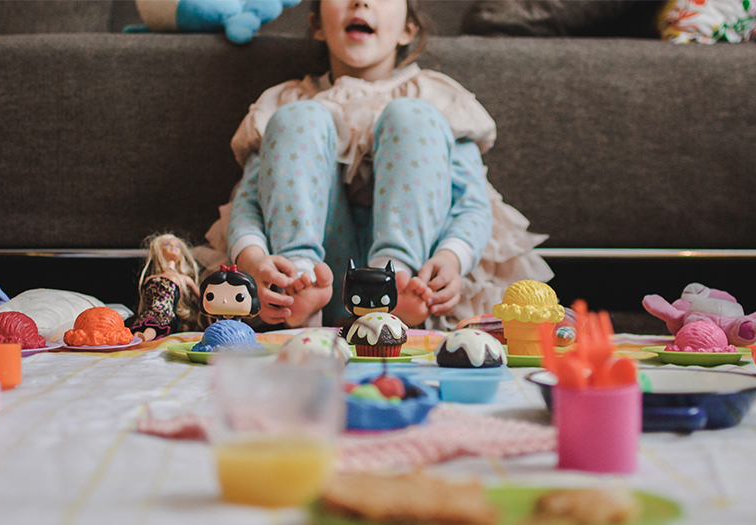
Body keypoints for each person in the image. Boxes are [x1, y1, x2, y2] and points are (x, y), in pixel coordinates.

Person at [197, 0, 553, 329]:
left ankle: (392, 280)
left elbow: (472, 201)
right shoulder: (287, 102)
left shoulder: (435, 98)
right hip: (321, 280)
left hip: (410, 283)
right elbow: (248, 199)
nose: (361, 1)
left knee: (411, 117)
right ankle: (297, 280)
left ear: (408, 30)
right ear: (317, 24)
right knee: (298, 118)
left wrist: (451, 259)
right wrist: (254, 260)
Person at [131, 233, 203, 341]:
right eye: (167, 244)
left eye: (177, 246)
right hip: (148, 313)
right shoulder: (150, 278)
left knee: (154, 325)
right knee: (139, 324)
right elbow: (144, 302)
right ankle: (136, 337)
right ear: (159, 251)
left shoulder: (183, 279)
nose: (173, 247)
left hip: (166, 315)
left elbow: (203, 302)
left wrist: (209, 325)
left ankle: (144, 338)